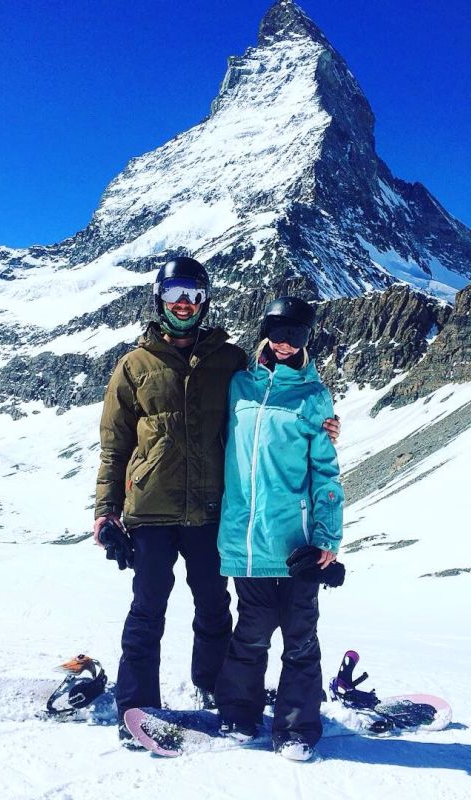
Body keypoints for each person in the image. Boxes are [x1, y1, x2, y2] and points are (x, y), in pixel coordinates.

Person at [94, 260, 340, 748]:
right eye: (174, 293)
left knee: (214, 608)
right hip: (151, 512)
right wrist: (106, 511)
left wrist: (326, 425)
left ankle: (213, 689)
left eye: (193, 293)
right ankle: (136, 706)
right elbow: (114, 445)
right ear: (160, 299)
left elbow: (273, 409)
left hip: (211, 512)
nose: (183, 302)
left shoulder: (230, 363)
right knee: (147, 611)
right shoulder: (134, 366)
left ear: (204, 300)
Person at [215, 296, 344, 762]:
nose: (286, 343)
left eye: (297, 335)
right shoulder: (238, 386)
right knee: (249, 633)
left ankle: (296, 728)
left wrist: (327, 538)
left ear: (308, 339)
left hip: (294, 543)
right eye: (278, 331)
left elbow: (326, 473)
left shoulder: (314, 397)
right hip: (246, 540)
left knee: (300, 638)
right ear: (265, 329)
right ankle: (237, 714)